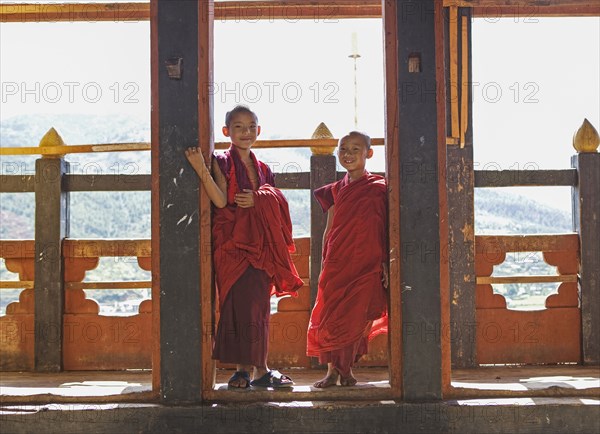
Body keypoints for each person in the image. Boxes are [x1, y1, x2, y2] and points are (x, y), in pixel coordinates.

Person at [185, 105, 303, 389]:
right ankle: (245, 370)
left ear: (258, 131)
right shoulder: (221, 161)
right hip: (232, 244)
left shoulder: (263, 168)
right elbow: (221, 200)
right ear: (227, 131)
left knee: (259, 307)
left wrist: (260, 199)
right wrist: (202, 170)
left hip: (259, 244)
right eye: (238, 127)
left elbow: (275, 200)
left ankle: (258, 369)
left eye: (251, 126)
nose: (246, 132)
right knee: (237, 305)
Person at [307, 131, 388, 388]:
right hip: (337, 262)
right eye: (343, 149)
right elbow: (329, 229)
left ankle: (348, 368)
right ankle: (332, 371)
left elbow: (386, 227)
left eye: (355, 149)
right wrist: (323, 261)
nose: (348, 154)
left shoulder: (379, 189)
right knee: (332, 316)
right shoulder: (334, 190)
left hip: (368, 262)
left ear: (369, 153)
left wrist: (386, 260)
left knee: (357, 316)